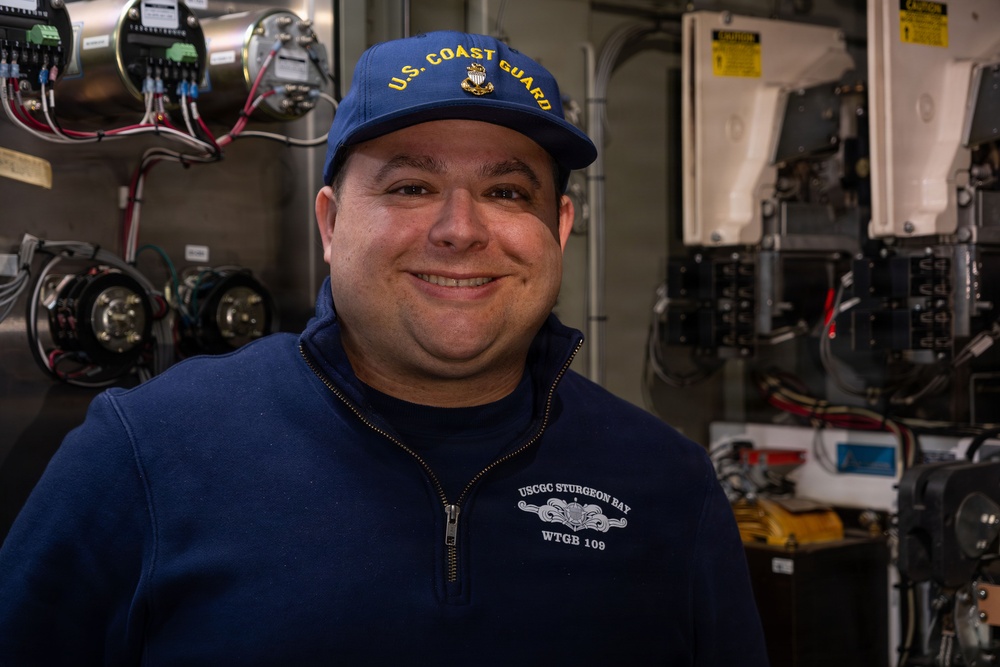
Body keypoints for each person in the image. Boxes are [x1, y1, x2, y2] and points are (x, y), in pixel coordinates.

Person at [0, 30, 769, 665]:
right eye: (410, 187)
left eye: (507, 192)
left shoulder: (667, 485)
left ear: (559, 230)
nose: (461, 229)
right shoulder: (145, 456)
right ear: (331, 224)